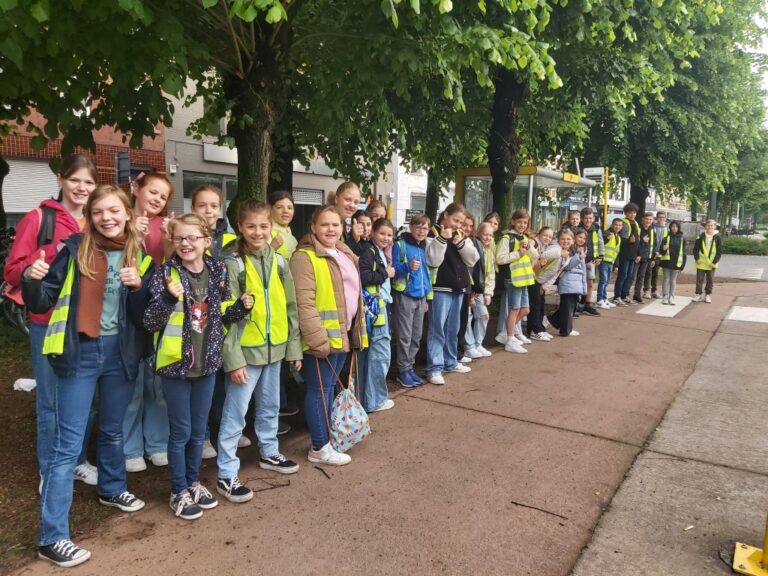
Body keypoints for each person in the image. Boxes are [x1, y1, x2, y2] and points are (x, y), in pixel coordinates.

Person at [24, 185, 153, 567]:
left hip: (120, 354)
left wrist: (139, 287)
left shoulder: (138, 253)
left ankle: (112, 489)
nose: (106, 218)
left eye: (113, 211)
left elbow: (146, 316)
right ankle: (52, 537)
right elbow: (42, 300)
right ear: (90, 216)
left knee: (113, 430)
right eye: (98, 213)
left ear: (127, 212)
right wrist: (33, 278)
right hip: (80, 353)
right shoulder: (74, 248)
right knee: (67, 445)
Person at [143, 213, 250, 520]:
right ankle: (178, 489)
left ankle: (193, 482)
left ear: (207, 241)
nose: (186, 243)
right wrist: (166, 298)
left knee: (198, 431)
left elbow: (222, 316)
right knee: (181, 431)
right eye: (179, 238)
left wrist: (240, 308)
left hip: (207, 364)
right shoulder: (166, 274)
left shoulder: (217, 269)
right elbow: (149, 321)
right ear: (172, 242)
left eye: (193, 238)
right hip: (176, 365)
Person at [4, 154, 99, 490]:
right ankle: (50, 468)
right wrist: (32, 267)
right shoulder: (39, 217)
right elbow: (12, 270)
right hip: (48, 320)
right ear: (61, 180)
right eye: (75, 180)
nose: (82, 188)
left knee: (85, 398)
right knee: (49, 400)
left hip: (88, 321)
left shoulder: (97, 219)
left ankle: (77, 462)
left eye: (89, 182)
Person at [216, 200, 303, 504]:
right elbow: (224, 313)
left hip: (275, 349)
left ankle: (269, 452)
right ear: (240, 226)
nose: (257, 232)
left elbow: (291, 308)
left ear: (271, 227)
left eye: (263, 226)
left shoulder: (279, 262)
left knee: (270, 407)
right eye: (251, 226)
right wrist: (233, 359)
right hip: (245, 353)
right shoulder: (233, 263)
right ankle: (226, 472)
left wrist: (293, 347)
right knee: (235, 414)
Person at [291, 205, 368, 466]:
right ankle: (319, 447)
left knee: (329, 389)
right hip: (323, 338)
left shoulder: (343, 252)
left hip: (342, 334)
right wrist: (317, 340)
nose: (331, 229)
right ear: (313, 228)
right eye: (324, 225)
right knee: (319, 390)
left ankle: (327, 439)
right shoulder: (304, 257)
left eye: (335, 224)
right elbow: (305, 303)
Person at [124, 172, 174, 472]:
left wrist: (169, 240)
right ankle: (130, 447)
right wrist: (132, 234)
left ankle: (157, 442)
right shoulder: (119, 218)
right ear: (135, 188)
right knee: (132, 385)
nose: (156, 199)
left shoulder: (163, 225)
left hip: (157, 309)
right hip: (127, 311)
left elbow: (168, 266)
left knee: (156, 380)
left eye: (163, 196)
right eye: (152, 192)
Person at [424, 203, 479, 385]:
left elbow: (472, 259)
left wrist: (460, 243)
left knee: (453, 328)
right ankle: (434, 368)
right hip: (440, 288)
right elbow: (433, 260)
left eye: (461, 222)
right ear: (445, 215)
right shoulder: (432, 233)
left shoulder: (461, 236)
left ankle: (450, 360)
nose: (458, 225)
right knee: (437, 328)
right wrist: (442, 240)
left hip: (459, 289)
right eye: (456, 220)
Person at [269, 189, 302, 434]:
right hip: (272, 302)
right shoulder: (268, 232)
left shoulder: (290, 235)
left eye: (289, 207)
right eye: (280, 206)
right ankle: (271, 415)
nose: (285, 211)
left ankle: (280, 403)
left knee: (282, 358)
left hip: (288, 300)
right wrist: (271, 246)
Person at [358, 219, 396, 412]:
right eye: (382, 233)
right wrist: (386, 273)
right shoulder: (369, 251)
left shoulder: (376, 251)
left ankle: (367, 399)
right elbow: (364, 277)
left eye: (389, 235)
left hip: (377, 308)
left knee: (372, 355)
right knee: (380, 355)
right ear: (372, 232)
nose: (386, 238)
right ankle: (375, 400)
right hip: (375, 309)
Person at [391, 214, 432, 388]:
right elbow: (393, 268)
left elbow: (428, 273)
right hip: (406, 296)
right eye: (418, 227)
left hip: (421, 297)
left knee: (416, 336)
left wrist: (427, 296)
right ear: (411, 227)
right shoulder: (400, 245)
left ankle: (410, 367)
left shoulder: (424, 247)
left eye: (425, 228)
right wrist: (407, 267)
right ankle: (403, 370)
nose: (421, 231)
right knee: (405, 336)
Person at [496, 209, 538, 354]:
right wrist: (518, 253)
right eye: (519, 222)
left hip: (524, 279)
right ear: (513, 221)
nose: (522, 225)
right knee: (514, 309)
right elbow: (500, 259)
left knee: (525, 309)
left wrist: (528, 246)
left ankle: (506, 332)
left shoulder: (524, 238)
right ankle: (510, 338)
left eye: (525, 222)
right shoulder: (507, 238)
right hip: (512, 279)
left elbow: (535, 256)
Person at [546, 229, 586, 337]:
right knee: (567, 307)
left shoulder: (575, 250)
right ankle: (565, 329)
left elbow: (582, 270)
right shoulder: (566, 252)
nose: (566, 241)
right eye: (563, 239)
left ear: (572, 241)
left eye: (568, 239)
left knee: (571, 306)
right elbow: (567, 266)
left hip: (575, 283)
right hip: (567, 282)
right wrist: (579, 258)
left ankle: (553, 320)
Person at [464, 221, 495, 357]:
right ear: (478, 234)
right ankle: (469, 346)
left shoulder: (489, 251)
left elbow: (490, 273)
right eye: (485, 234)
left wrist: (488, 292)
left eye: (490, 235)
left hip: (481, 290)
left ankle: (478, 343)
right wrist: (472, 293)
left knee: (484, 316)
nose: (487, 237)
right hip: (473, 288)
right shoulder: (474, 246)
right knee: (468, 317)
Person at [528, 226, 560, 341]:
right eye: (545, 235)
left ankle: (539, 328)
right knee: (535, 305)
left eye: (550, 237)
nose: (547, 238)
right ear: (539, 234)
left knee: (540, 304)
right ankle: (534, 330)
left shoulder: (545, 246)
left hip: (537, 278)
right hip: (532, 278)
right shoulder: (535, 243)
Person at [191, 185, 236, 258]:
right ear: (193, 209)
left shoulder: (234, 240)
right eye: (202, 205)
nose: (208, 211)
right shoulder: (184, 240)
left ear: (220, 210)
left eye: (214, 206)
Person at [457, 213, 477, 362]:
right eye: (465, 225)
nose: (468, 228)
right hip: (458, 286)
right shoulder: (455, 240)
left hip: (467, 285)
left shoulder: (469, 241)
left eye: (470, 226)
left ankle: (461, 350)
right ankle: (457, 352)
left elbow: (473, 262)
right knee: (456, 322)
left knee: (463, 320)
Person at [613, 203, 641, 305]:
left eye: (634, 212)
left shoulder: (636, 223)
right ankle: (617, 296)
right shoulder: (623, 223)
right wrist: (629, 241)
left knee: (630, 276)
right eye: (630, 213)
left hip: (633, 254)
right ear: (626, 213)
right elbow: (621, 240)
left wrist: (638, 254)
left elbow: (638, 240)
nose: (632, 215)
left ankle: (624, 295)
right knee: (622, 275)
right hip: (625, 253)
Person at [579, 207, 604, 317]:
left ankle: (587, 304)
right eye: (586, 218)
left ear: (593, 218)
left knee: (590, 283)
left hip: (591, 260)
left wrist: (600, 256)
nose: (588, 220)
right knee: (579, 282)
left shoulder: (596, 228)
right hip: (579, 260)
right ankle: (579, 304)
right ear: (581, 219)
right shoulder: (577, 228)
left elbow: (600, 242)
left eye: (590, 218)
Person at [693, 219, 721, 303]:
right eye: (708, 225)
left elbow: (720, 251)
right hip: (701, 262)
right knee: (699, 279)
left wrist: (714, 262)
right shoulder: (701, 236)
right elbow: (695, 249)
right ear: (705, 227)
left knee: (710, 280)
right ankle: (698, 294)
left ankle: (707, 295)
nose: (710, 227)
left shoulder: (717, 237)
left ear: (715, 227)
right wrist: (697, 258)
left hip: (711, 263)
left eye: (712, 225)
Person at [597, 218, 623, 308]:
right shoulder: (607, 233)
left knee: (607, 281)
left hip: (610, 262)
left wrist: (616, 265)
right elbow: (601, 243)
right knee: (603, 280)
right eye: (616, 225)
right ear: (612, 225)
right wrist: (606, 239)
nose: (618, 227)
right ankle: (600, 299)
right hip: (603, 261)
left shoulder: (618, 237)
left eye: (620, 225)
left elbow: (616, 252)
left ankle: (604, 299)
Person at [659, 220, 686, 305]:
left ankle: (672, 297)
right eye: (672, 226)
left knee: (673, 280)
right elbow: (661, 252)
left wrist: (682, 266)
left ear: (678, 228)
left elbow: (684, 253)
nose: (674, 228)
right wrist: (663, 249)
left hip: (676, 263)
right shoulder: (666, 238)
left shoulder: (682, 239)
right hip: (666, 262)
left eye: (676, 226)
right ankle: (665, 296)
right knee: (666, 279)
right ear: (670, 227)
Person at [632, 212, 655, 303]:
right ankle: (624, 295)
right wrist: (638, 254)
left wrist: (652, 258)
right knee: (632, 276)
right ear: (643, 220)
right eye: (647, 219)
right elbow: (635, 242)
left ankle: (637, 295)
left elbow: (653, 244)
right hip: (637, 256)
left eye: (650, 219)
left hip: (646, 258)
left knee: (641, 277)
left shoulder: (652, 230)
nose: (648, 221)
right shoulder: (638, 229)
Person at [645, 210, 668, 298]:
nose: (661, 219)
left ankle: (654, 290)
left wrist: (661, 252)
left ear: (665, 218)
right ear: (656, 218)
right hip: (650, 253)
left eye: (663, 217)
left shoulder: (667, 229)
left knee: (655, 273)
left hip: (659, 255)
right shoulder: (652, 227)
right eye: (659, 217)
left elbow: (666, 243)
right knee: (648, 272)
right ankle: (646, 290)